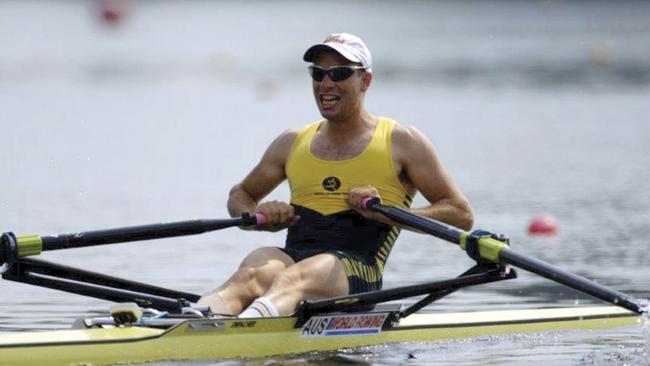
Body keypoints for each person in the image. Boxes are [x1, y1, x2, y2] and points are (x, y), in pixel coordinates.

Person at [198, 33, 473, 318]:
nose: (326, 84)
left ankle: (248, 326)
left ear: (365, 81)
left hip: (357, 272)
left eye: (339, 73)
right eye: (318, 74)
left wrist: (385, 214)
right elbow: (240, 195)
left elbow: (460, 213)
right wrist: (257, 217)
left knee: (297, 278)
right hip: (293, 261)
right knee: (252, 272)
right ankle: (190, 320)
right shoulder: (291, 142)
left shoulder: (402, 142)